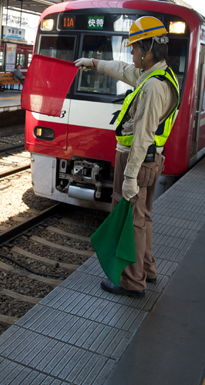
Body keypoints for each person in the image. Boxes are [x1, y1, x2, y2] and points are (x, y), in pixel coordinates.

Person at [75, 15, 180, 298]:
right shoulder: (158, 75)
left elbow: (143, 135)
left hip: (137, 159)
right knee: (142, 217)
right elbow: (122, 70)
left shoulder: (153, 87)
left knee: (130, 219)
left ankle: (132, 282)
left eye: (134, 47)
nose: (130, 52)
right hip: (151, 159)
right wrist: (94, 63)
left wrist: (130, 176)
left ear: (147, 50)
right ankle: (148, 269)